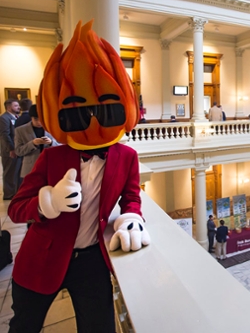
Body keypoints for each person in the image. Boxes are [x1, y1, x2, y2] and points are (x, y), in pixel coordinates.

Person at [7, 21, 150, 333]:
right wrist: (47, 202)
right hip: (41, 258)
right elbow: (16, 208)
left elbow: (132, 198)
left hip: (92, 262)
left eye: (108, 111)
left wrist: (132, 218)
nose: (94, 123)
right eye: (75, 113)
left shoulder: (127, 157)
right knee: (24, 327)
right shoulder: (51, 156)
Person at [14, 105, 58, 184]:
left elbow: (62, 146)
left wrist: (51, 143)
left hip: (50, 166)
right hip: (30, 167)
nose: (39, 122)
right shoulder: (20, 130)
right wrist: (32, 144)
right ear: (31, 118)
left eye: (41, 119)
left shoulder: (52, 128)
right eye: (36, 119)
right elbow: (18, 151)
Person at [0, 99, 21, 200]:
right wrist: (11, 149)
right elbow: (5, 135)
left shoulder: (16, 117)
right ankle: (9, 194)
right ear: (9, 107)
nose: (18, 107)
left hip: (17, 149)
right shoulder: (4, 118)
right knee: (9, 172)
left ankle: (15, 192)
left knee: (16, 172)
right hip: (9, 150)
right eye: (16, 106)